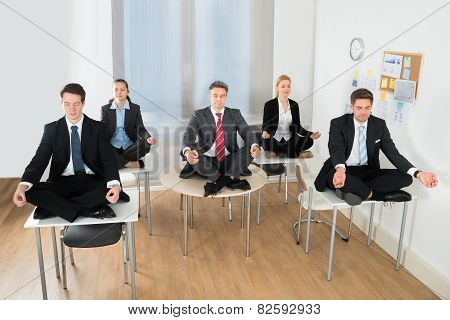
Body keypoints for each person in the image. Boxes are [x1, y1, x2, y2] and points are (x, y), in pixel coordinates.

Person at [12, 83, 128, 222]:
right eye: (67, 104)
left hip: (92, 180)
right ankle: (89, 210)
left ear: (83, 103)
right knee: (29, 192)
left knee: (108, 191)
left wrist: (115, 184)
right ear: (61, 103)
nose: (71, 109)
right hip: (62, 181)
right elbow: (39, 159)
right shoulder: (51, 130)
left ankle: (53, 208)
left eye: (76, 104)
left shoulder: (98, 128)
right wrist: (22, 186)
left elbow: (108, 158)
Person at [315, 88, 438, 205]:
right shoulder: (338, 123)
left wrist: (419, 174)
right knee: (340, 179)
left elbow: (393, 154)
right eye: (359, 108)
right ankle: (380, 196)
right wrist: (340, 170)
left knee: (406, 178)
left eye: (367, 108)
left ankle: (354, 191)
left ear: (371, 107)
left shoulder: (379, 125)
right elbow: (336, 148)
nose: (363, 112)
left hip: (368, 171)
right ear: (352, 107)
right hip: (342, 169)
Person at [180, 80, 261, 197]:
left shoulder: (235, 114)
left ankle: (218, 184)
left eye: (222, 96)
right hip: (207, 160)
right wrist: (187, 152)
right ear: (210, 96)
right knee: (195, 154)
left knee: (250, 148)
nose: (218, 99)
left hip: (230, 160)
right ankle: (230, 179)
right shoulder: (198, 115)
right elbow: (189, 135)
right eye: (215, 95)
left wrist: (254, 146)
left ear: (226, 97)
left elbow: (246, 131)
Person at [101, 79, 157, 169]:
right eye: (116, 89)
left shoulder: (135, 108)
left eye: (122, 89)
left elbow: (140, 128)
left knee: (145, 143)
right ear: (112, 92)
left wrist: (148, 138)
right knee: (101, 148)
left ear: (127, 92)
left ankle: (118, 161)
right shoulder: (105, 109)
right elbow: (103, 128)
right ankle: (131, 164)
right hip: (113, 147)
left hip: (131, 147)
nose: (119, 92)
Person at [261, 75, 321, 158]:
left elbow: (298, 127)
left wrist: (310, 134)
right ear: (277, 88)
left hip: (290, 139)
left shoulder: (294, 105)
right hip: (274, 139)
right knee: (264, 142)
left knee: (310, 141)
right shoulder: (269, 105)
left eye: (288, 86)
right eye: (283, 86)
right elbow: (265, 124)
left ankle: (276, 153)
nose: (286, 89)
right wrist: (265, 132)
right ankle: (300, 154)